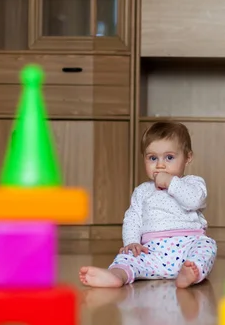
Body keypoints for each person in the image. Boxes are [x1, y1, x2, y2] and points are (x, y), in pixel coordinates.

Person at [79, 121, 217, 289]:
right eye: (153, 158)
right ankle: (117, 275)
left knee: (207, 247)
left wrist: (171, 182)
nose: (160, 165)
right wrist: (132, 241)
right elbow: (133, 218)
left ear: (188, 157)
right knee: (128, 256)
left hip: (188, 246)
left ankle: (189, 273)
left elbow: (195, 200)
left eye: (169, 157)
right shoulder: (143, 191)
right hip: (151, 251)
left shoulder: (192, 183)